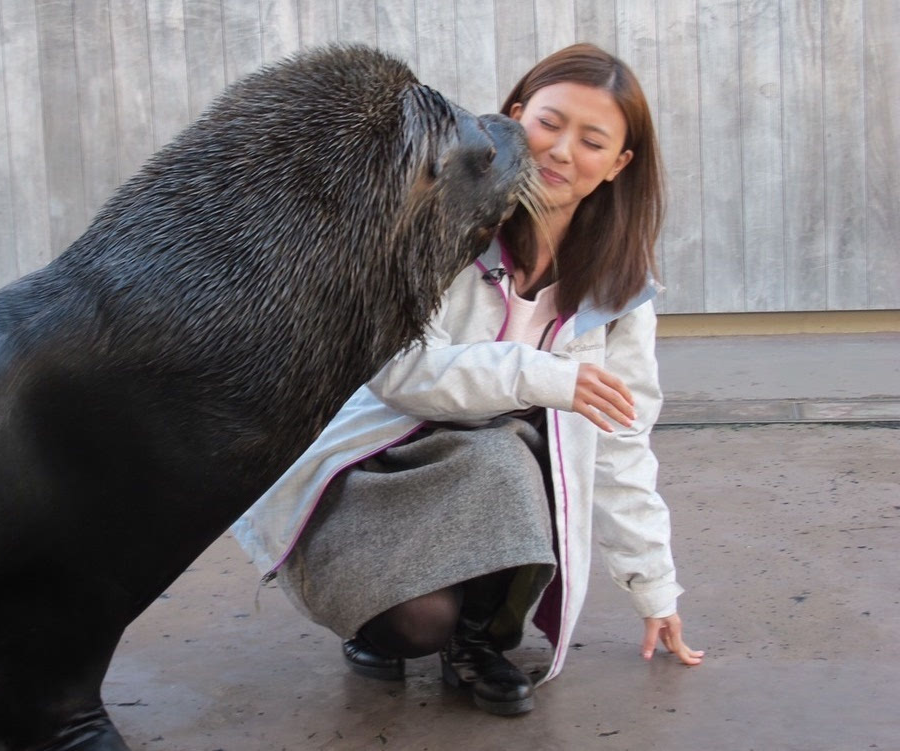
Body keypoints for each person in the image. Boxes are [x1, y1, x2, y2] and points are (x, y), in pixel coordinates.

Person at [234, 42, 703, 716]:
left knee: (513, 445)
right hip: (384, 469)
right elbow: (398, 369)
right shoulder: (436, 227)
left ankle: (480, 640)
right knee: (411, 626)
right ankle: (390, 621)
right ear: (512, 118)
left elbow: (623, 442)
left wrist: (655, 587)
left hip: (500, 483)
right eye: (548, 123)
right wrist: (544, 374)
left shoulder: (620, 291)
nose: (562, 151)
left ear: (619, 165)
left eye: (592, 140)